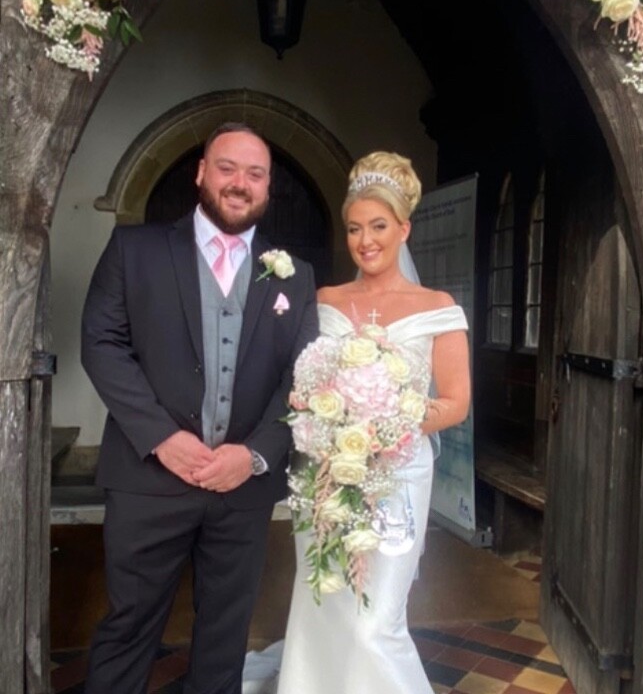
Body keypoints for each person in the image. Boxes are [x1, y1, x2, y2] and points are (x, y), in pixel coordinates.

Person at [81, 122, 319, 694]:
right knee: (130, 622)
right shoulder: (134, 250)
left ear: (267, 188)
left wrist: (257, 455)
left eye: (255, 174)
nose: (240, 183)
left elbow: (305, 376)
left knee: (225, 636)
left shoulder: (297, 274)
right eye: (227, 167)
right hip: (147, 478)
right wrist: (163, 437)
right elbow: (101, 344)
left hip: (243, 491)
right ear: (201, 172)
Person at [277, 150, 470, 694]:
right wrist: (320, 410)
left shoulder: (438, 308)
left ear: (404, 228)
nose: (366, 241)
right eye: (355, 228)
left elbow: (455, 402)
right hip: (326, 474)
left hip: (398, 480)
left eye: (379, 226)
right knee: (323, 602)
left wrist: (387, 418)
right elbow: (306, 384)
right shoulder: (325, 301)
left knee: (373, 624)